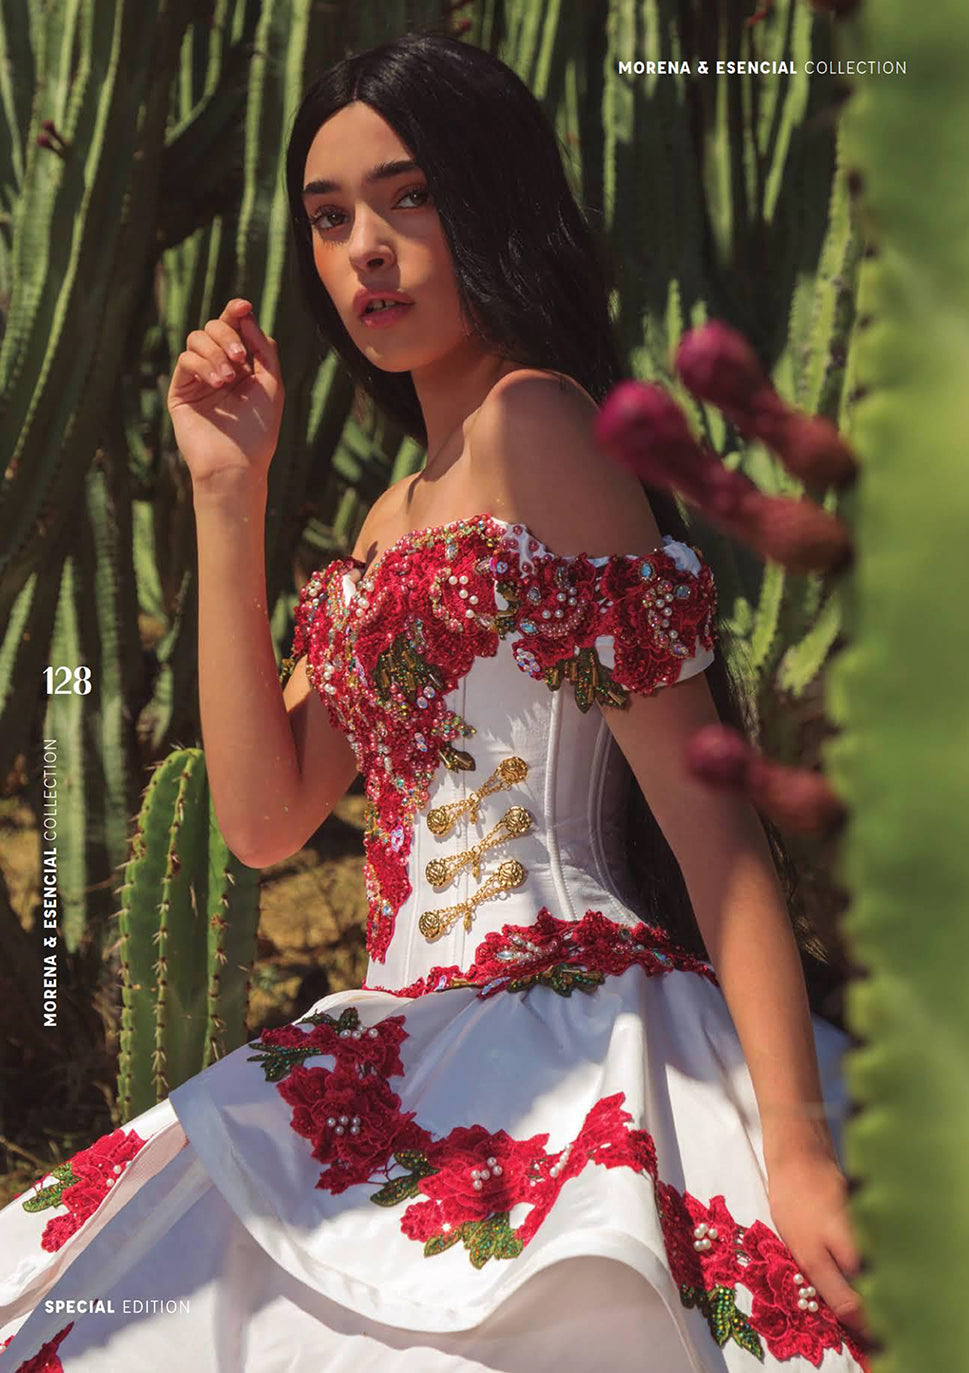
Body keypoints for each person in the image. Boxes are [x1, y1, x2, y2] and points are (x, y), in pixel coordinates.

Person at [0, 31, 872, 1373]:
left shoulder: (543, 428)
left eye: (410, 196)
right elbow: (262, 818)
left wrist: (798, 1151)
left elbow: (713, 836)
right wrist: (227, 492)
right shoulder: (389, 510)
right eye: (330, 216)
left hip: (572, 1023)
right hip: (405, 1034)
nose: (365, 247)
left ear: (493, 199)